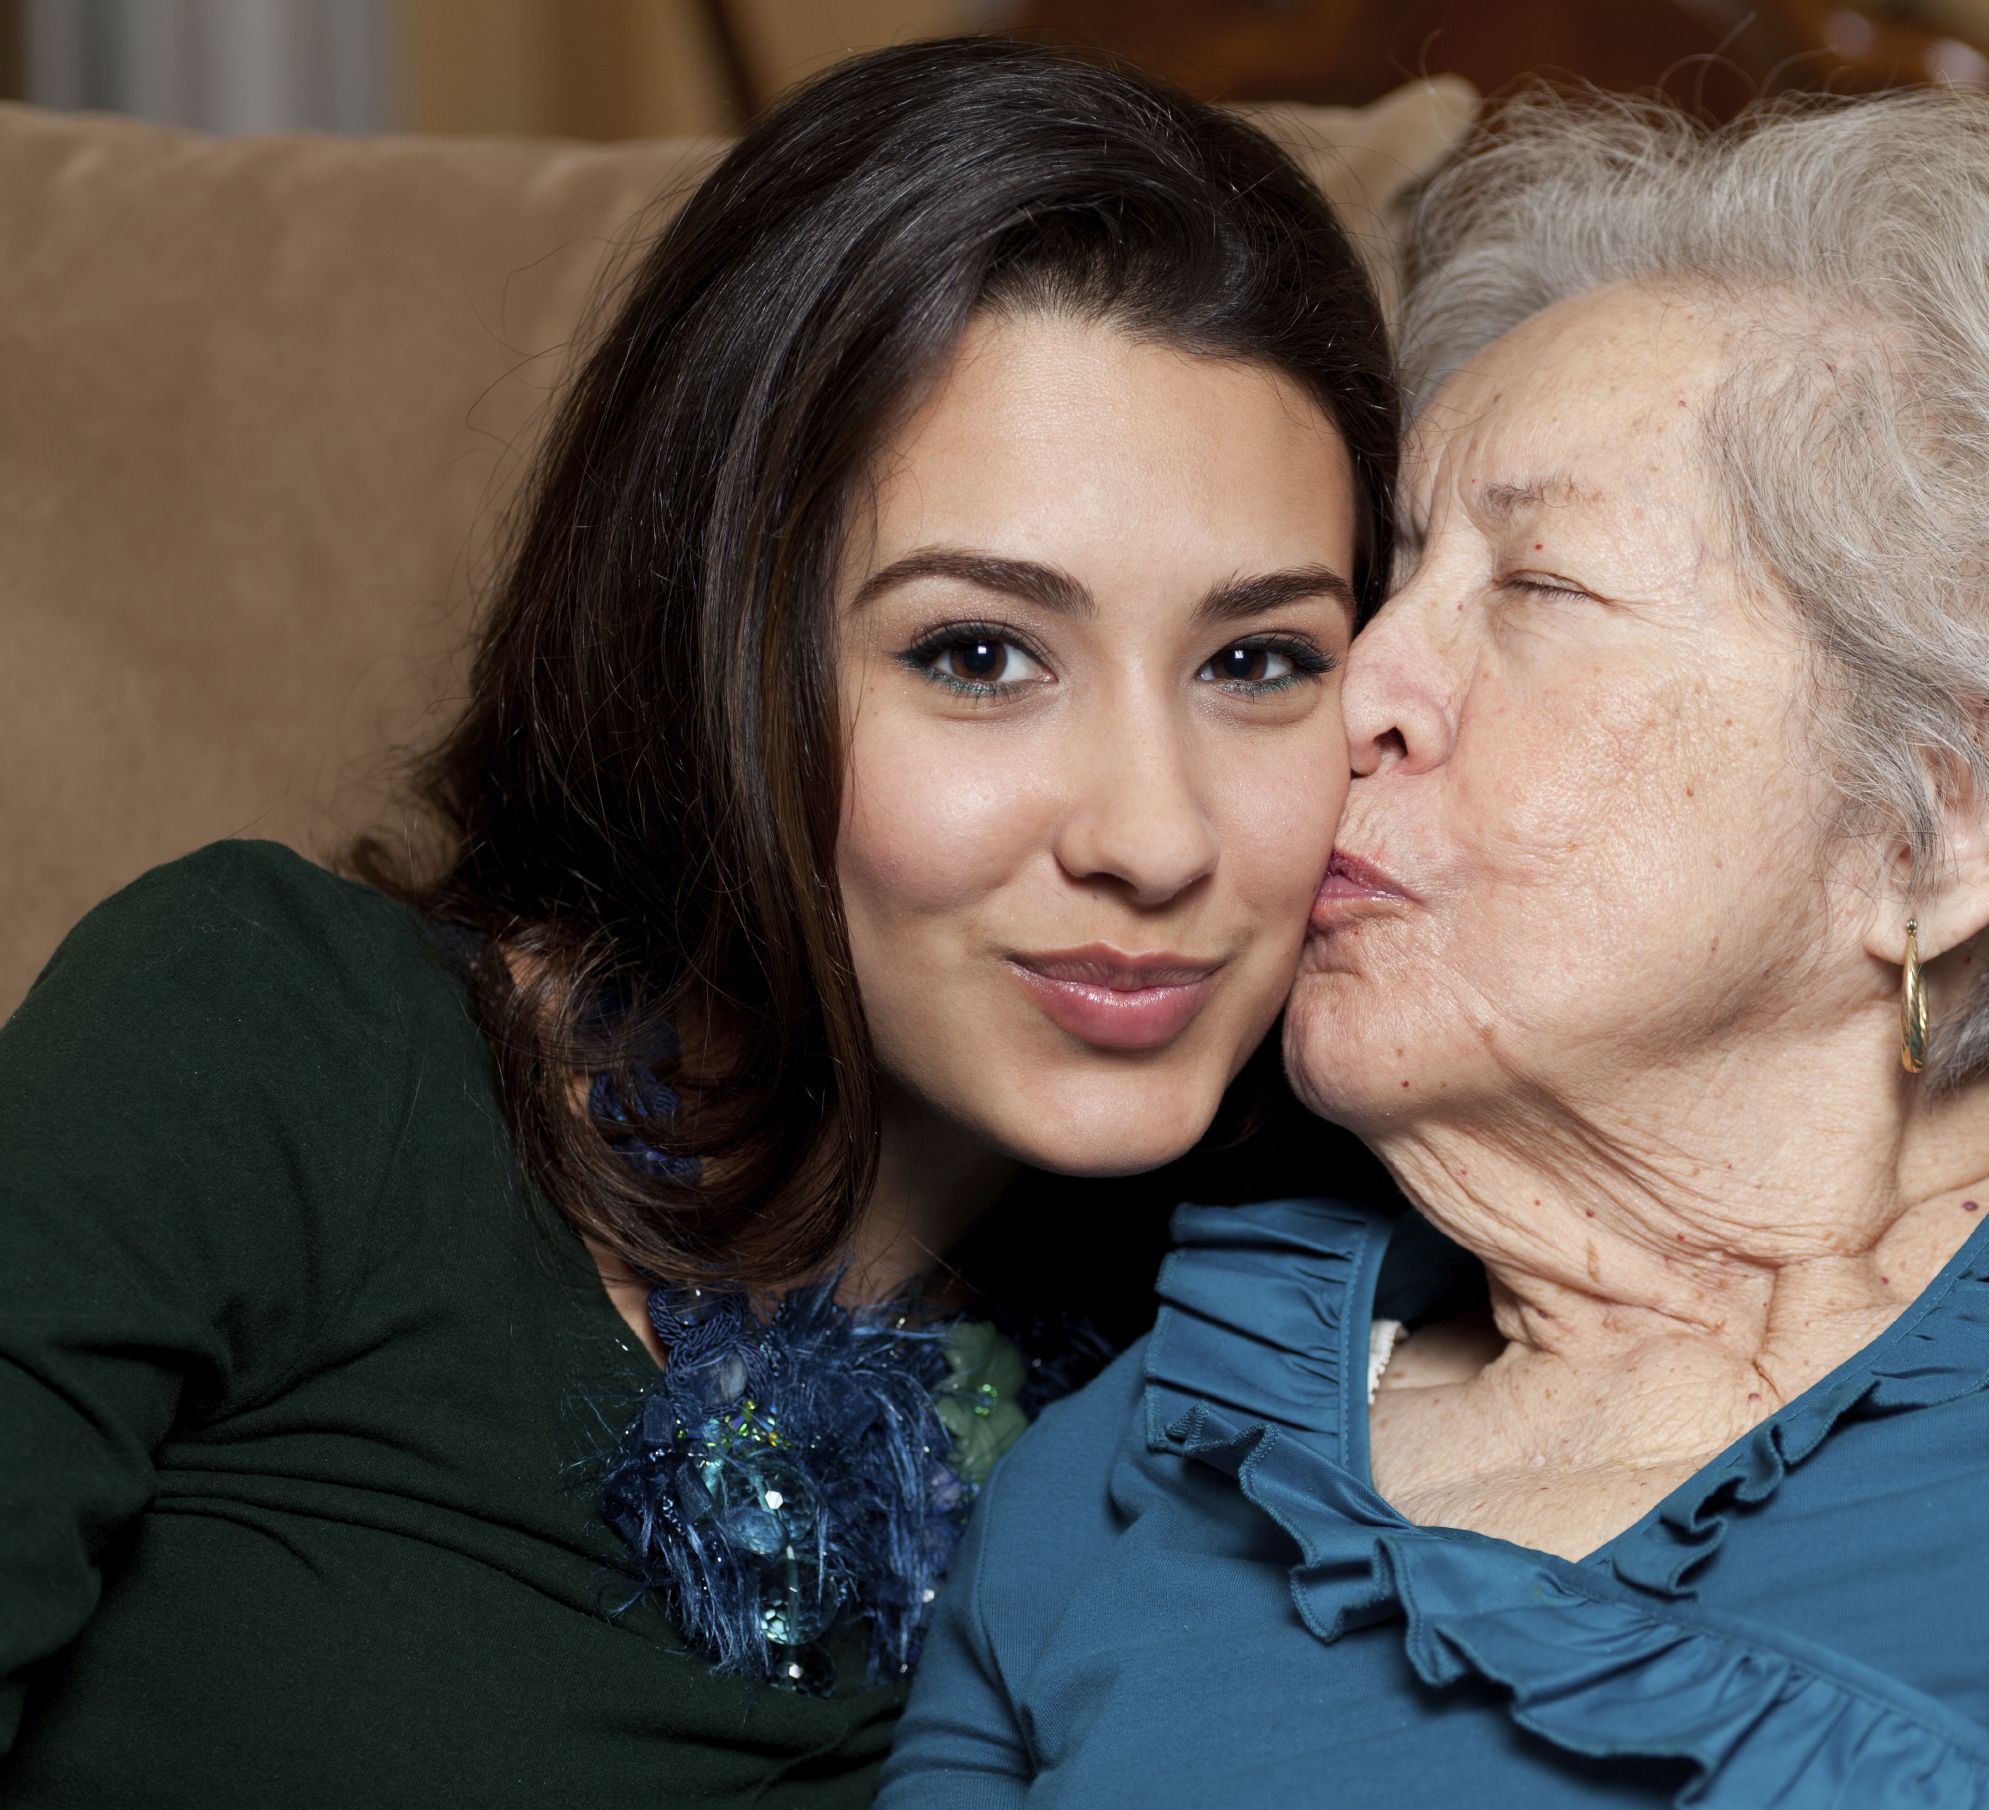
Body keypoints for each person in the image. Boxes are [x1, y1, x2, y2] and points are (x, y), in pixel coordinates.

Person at [889, 87, 1989, 1808]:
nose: (1348, 690)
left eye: (1532, 589)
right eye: (1386, 585)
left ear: (1945, 817)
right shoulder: (1121, 1475)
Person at [0, 38, 1396, 1809]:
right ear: (718, 665)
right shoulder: (270, 1039)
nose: (1153, 834)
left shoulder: (1293, 1348)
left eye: (1258, 660)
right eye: (977, 654)